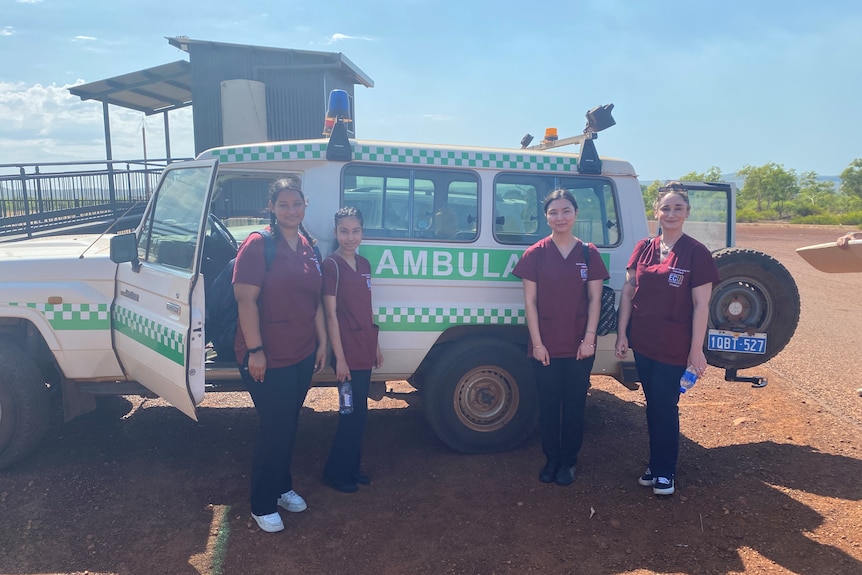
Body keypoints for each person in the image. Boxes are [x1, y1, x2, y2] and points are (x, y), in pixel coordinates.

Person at [233, 178, 327, 533]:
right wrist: (255, 351)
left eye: (297, 204)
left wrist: (322, 345)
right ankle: (261, 502)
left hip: (301, 352)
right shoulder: (259, 245)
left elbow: (314, 301)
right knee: (274, 426)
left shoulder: (308, 246)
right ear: (271, 207)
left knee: (289, 423)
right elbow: (245, 300)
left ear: (305, 206)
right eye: (284, 204)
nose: (291, 210)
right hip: (267, 355)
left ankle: (282, 485)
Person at [614, 181, 719, 496]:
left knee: (665, 405)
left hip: (675, 346)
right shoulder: (643, 248)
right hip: (644, 342)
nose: (671, 213)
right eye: (665, 208)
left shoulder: (696, 253)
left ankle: (665, 472)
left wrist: (696, 351)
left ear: (687, 213)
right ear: (656, 212)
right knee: (653, 405)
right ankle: (655, 463)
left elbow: (702, 305)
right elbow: (629, 290)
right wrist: (621, 333)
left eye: (678, 208)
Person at [512, 189, 609, 486]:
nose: (560, 217)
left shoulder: (588, 253)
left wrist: (590, 338)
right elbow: (529, 302)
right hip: (546, 347)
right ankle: (551, 459)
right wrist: (538, 343)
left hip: (580, 345)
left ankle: (569, 462)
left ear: (576, 214)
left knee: (575, 405)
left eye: (566, 211)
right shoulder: (535, 253)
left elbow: (595, 299)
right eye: (553, 212)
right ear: (546, 217)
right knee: (549, 405)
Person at [321, 207, 383, 493]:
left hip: (364, 349)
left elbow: (366, 309)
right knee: (349, 414)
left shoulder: (365, 264)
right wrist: (340, 360)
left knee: (361, 414)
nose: (350, 237)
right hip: (346, 356)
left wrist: (376, 345)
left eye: (355, 230)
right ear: (335, 233)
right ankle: (335, 473)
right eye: (344, 231)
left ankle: (352, 468)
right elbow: (330, 314)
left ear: (362, 231)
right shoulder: (331, 265)